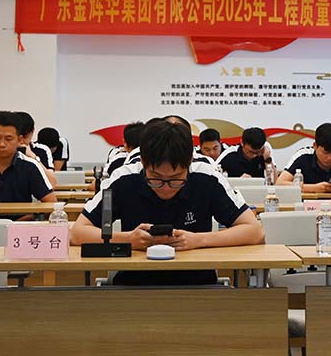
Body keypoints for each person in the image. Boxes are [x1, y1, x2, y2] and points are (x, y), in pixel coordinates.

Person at [71, 117, 264, 285]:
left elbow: (255, 231)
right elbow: (78, 232)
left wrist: (198, 240)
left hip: (198, 286)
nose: (165, 188)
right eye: (156, 179)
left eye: (176, 179)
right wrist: (129, 239)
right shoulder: (123, 179)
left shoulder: (207, 177)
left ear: (189, 163)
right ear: (143, 162)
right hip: (133, 286)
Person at [277, 123, 331, 194]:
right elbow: (280, 183)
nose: (329, 158)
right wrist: (313, 188)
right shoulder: (303, 156)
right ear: (315, 145)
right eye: (325, 153)